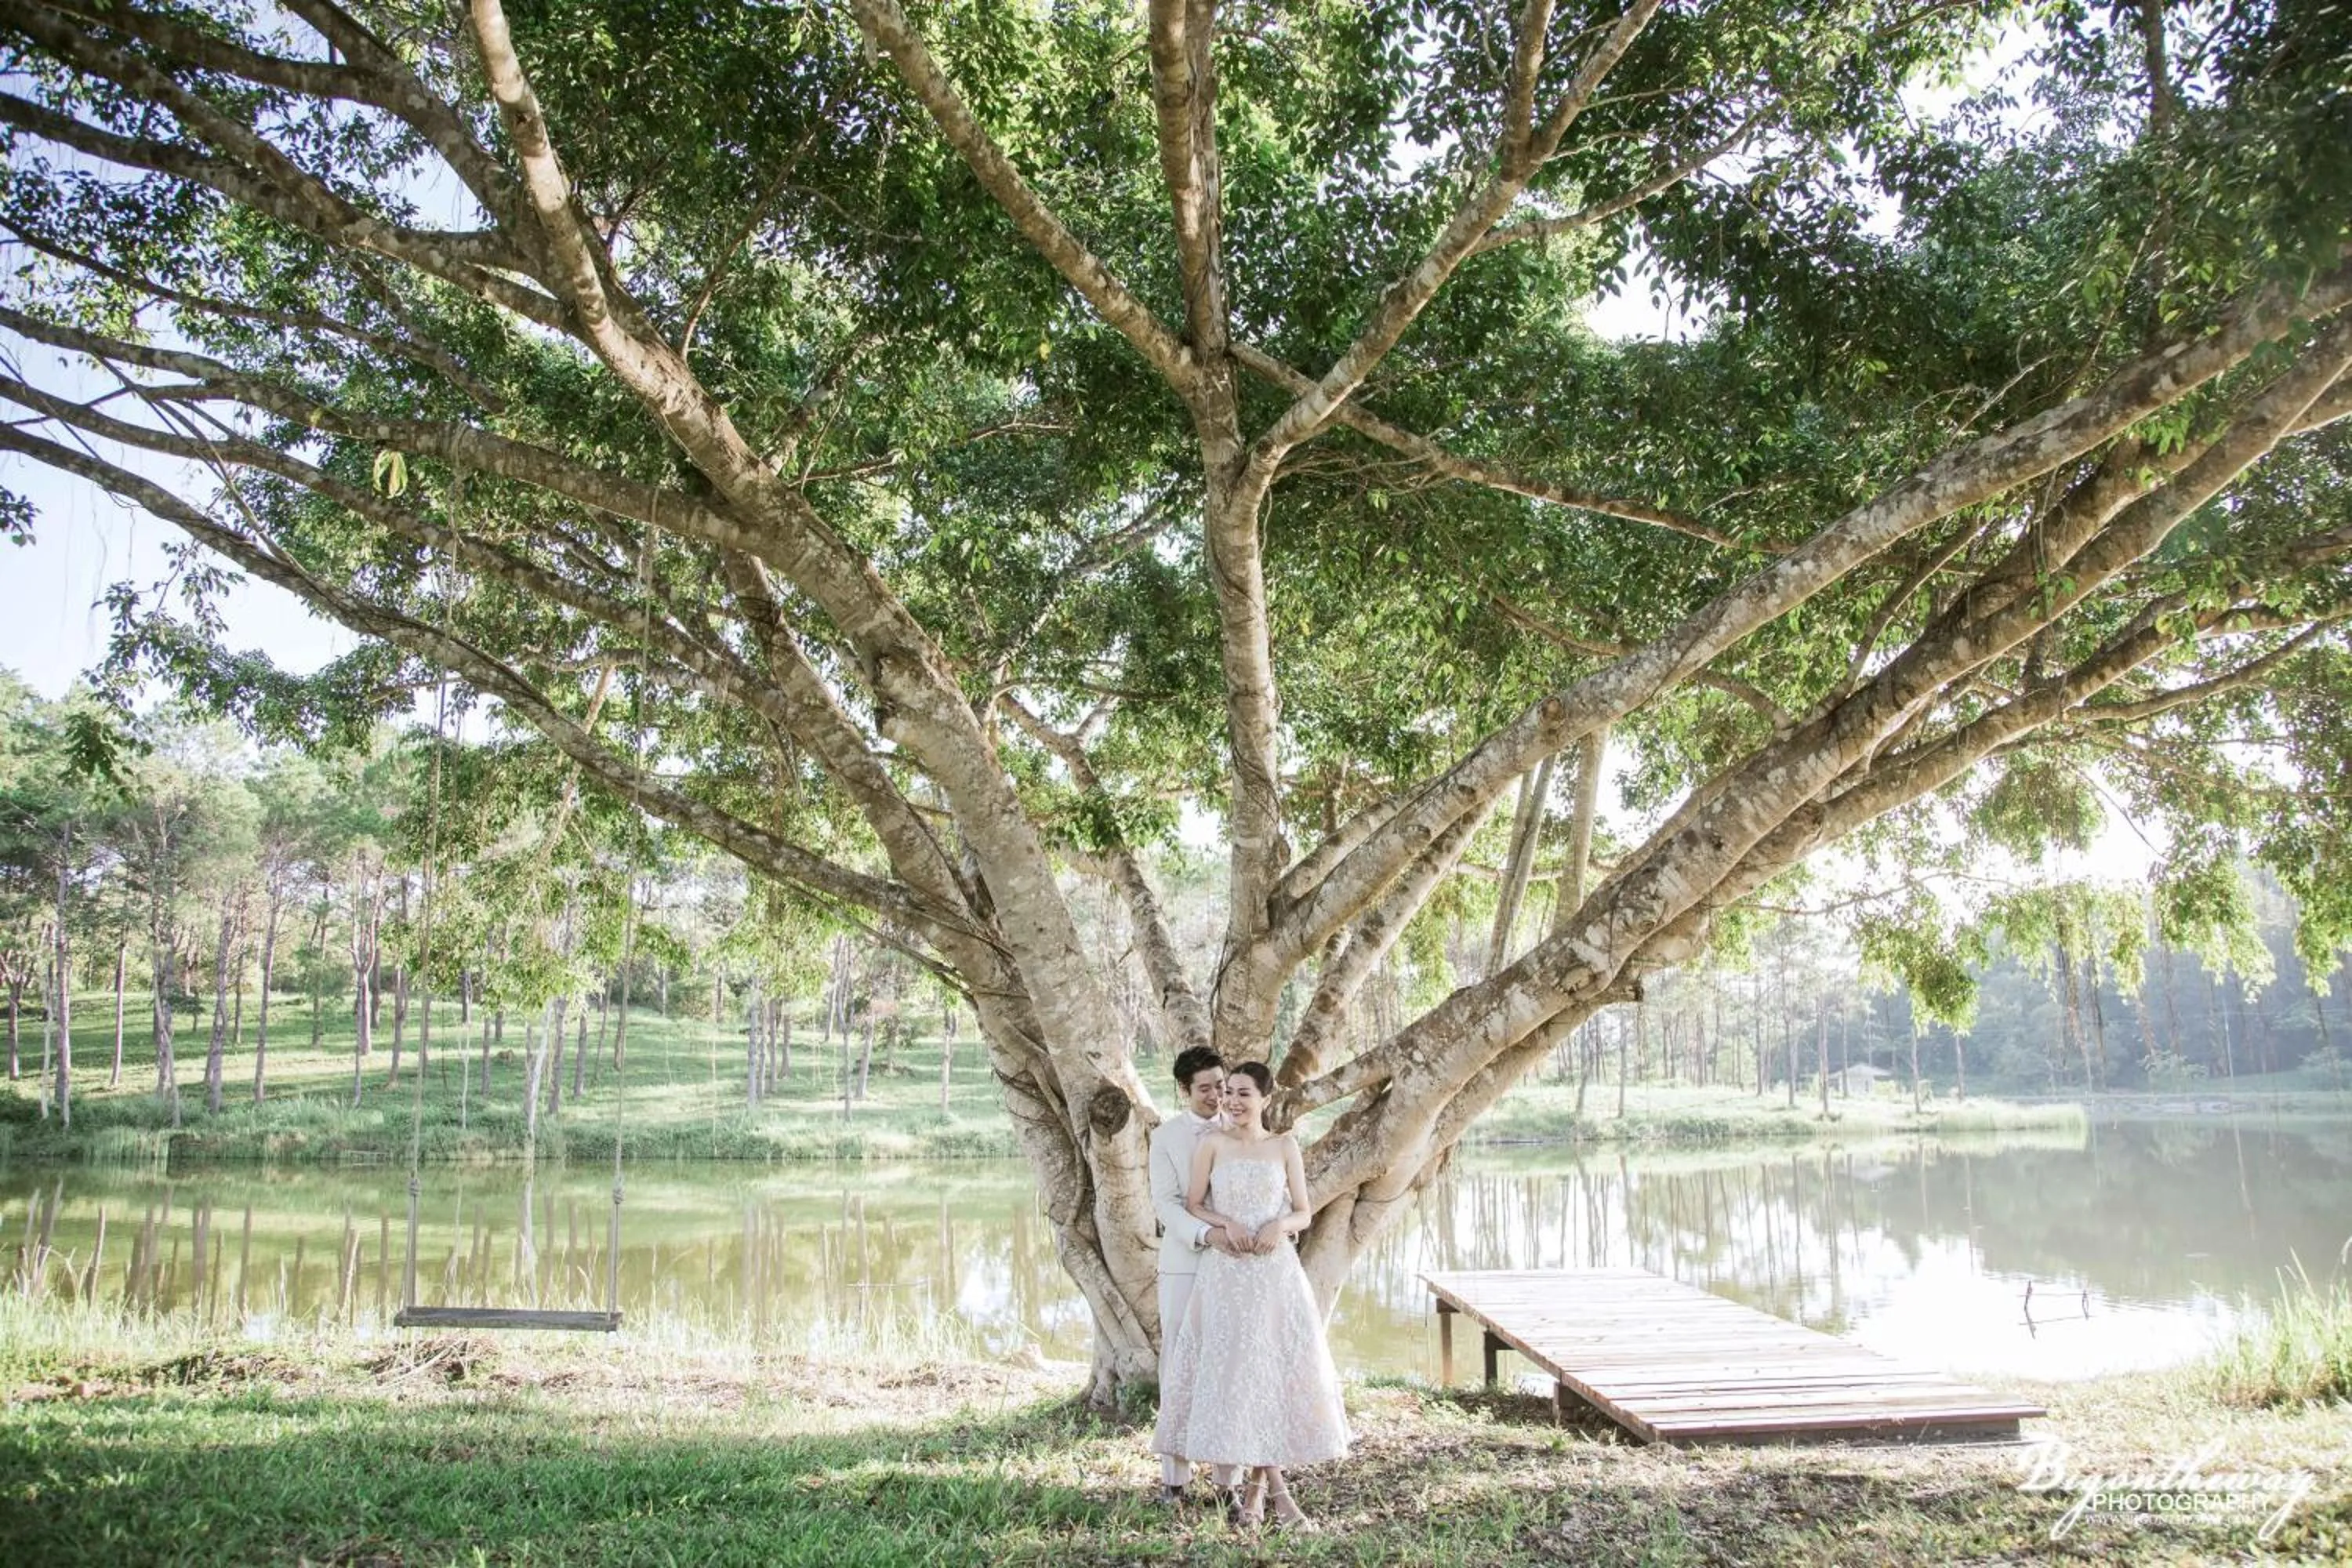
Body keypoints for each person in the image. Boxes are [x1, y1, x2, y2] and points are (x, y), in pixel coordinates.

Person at [1152, 1060, 1351, 1530]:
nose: (1233, 1101)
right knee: (1240, 1374)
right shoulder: (1212, 1144)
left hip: (1274, 1273)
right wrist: (1227, 1224)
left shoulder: (1284, 1146)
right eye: (1230, 1093)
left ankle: (1259, 1496)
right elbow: (1193, 1203)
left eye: (1243, 1093)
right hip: (1226, 1273)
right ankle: (1272, 1497)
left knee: (1271, 1373)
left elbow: (1304, 1212)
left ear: (1266, 1098)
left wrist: (1279, 1225)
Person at [1147, 1044, 1234, 1505]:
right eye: (1205, 1089)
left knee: (1229, 1364)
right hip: (1185, 1263)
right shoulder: (1166, 1137)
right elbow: (1165, 1204)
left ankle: (1228, 1482)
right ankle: (1174, 1479)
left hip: (1235, 1266)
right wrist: (1205, 1235)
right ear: (1185, 1090)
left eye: (1221, 1086)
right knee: (1179, 1365)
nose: (1216, 1096)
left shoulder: (1242, 1129)